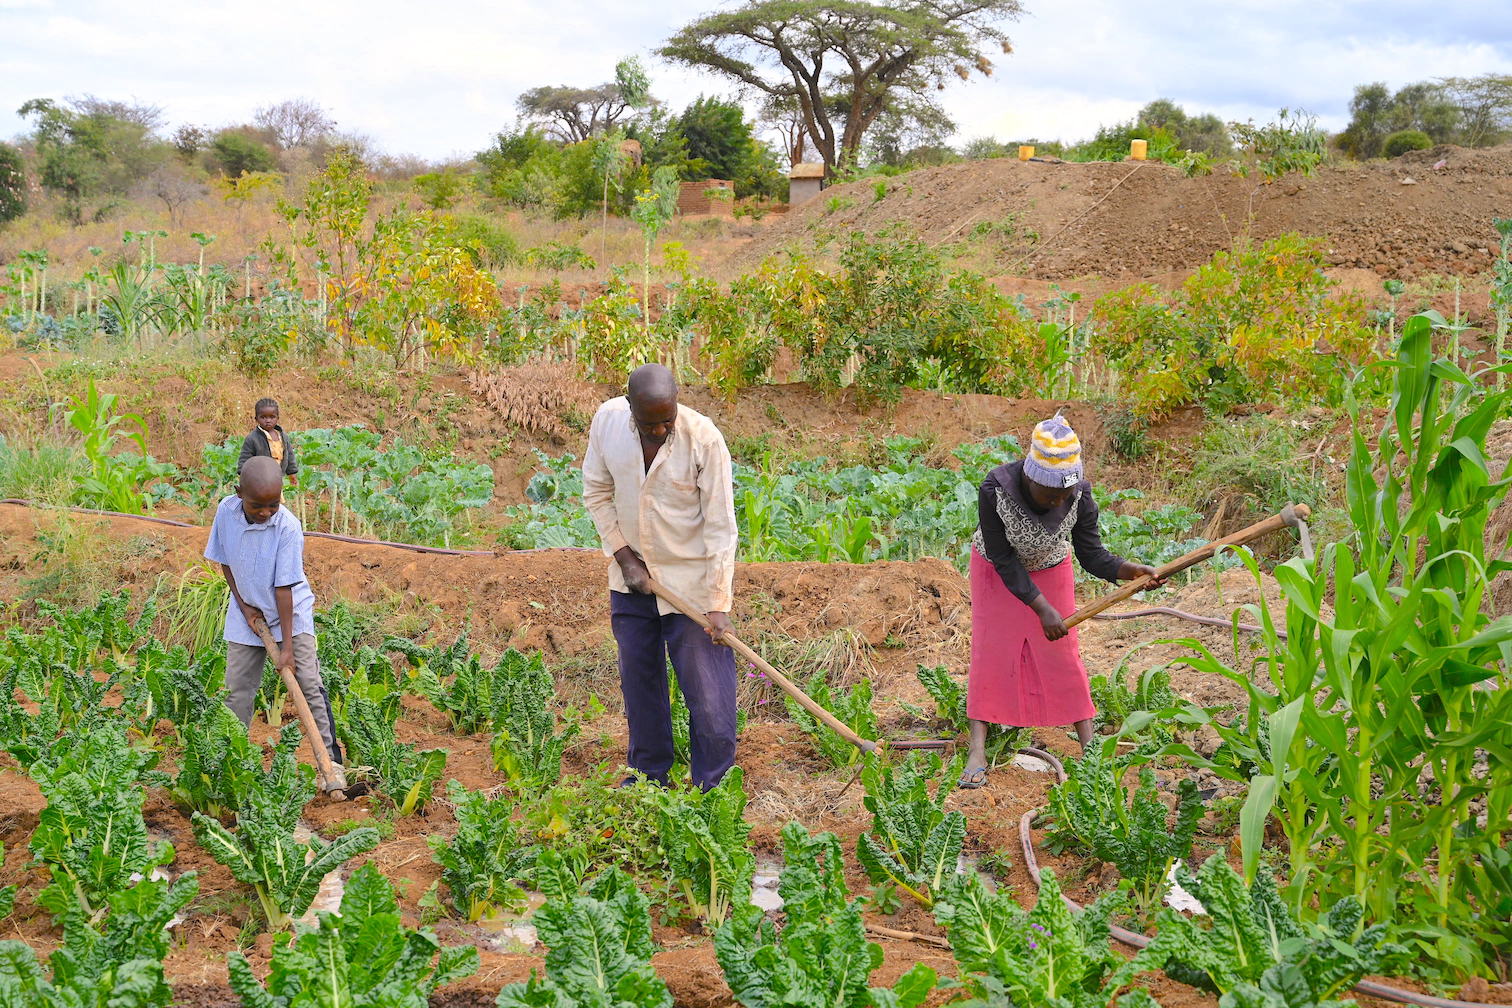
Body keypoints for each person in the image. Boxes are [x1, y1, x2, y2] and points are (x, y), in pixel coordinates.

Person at [960, 414, 1164, 788]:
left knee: (1063, 652)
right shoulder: (995, 488)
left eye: (1064, 495)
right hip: (995, 570)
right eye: (1050, 494)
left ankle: (1089, 747)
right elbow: (1005, 558)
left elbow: (1092, 554)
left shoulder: (1079, 495)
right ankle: (978, 748)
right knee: (991, 652)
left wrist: (1131, 570)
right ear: (1030, 477)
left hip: (1052, 567)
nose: (1058, 501)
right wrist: (1042, 608)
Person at [582, 363, 739, 791]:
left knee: (708, 694)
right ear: (629, 406)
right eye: (649, 423)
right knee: (640, 685)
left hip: (690, 586)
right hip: (630, 581)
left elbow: (721, 527)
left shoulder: (703, 439)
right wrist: (624, 557)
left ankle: (714, 787)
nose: (659, 430)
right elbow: (595, 491)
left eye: (666, 420)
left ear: (677, 402)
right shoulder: (608, 422)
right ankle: (649, 781)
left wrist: (718, 604)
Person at [206, 455, 345, 793]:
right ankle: (231, 761)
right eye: (258, 506)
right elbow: (224, 561)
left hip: (290, 616)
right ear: (239, 493)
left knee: (309, 685)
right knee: (236, 690)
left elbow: (285, 589)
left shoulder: (287, 527)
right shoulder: (226, 512)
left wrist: (285, 648)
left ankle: (331, 765)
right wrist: (244, 607)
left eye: (273, 503)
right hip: (246, 613)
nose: (266, 511)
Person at [238, 398, 299, 488]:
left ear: (277, 418)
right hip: (259, 479)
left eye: (272, 417)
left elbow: (289, 455)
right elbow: (245, 458)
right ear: (256, 419)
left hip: (277, 478)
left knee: (276, 499)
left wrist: (292, 473)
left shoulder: (283, 436)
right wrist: (243, 475)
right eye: (263, 417)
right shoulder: (252, 438)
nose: (268, 420)